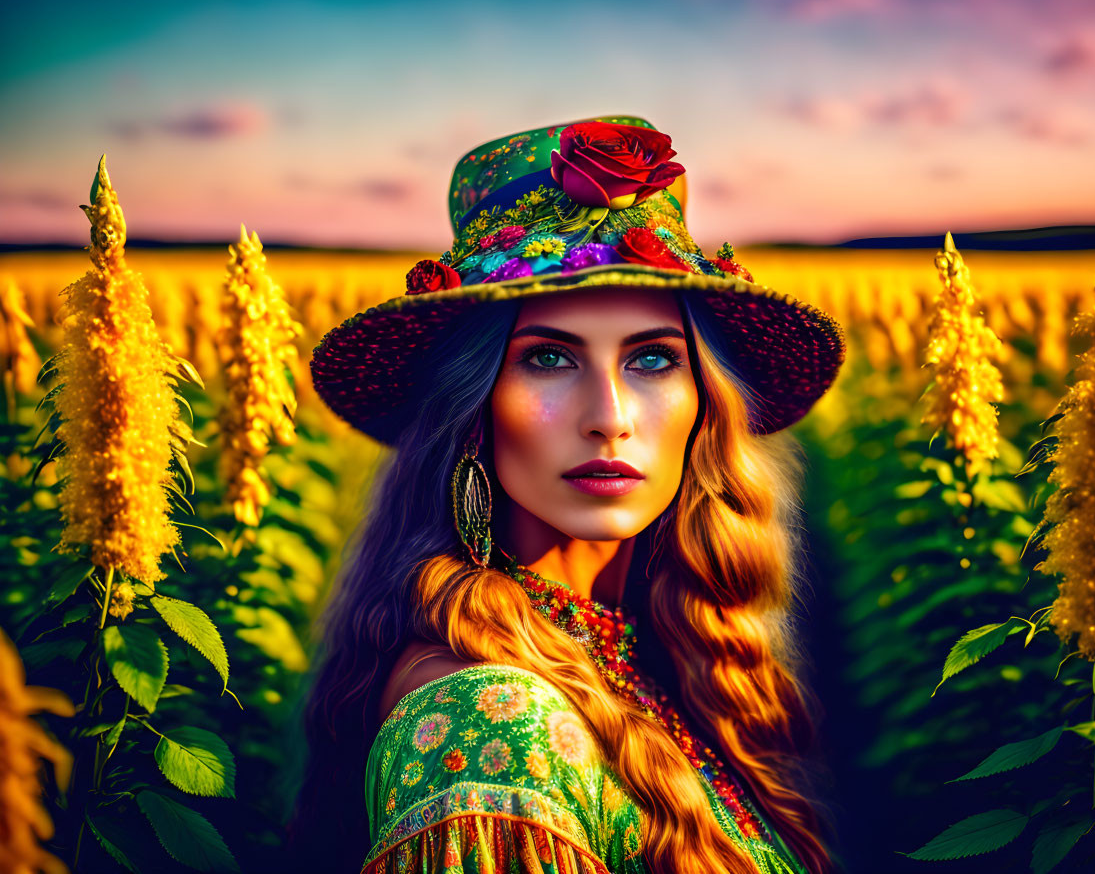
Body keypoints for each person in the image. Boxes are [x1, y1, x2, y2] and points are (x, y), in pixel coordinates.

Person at [286, 116, 846, 874]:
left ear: (703, 404)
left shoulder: (639, 648)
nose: (609, 417)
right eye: (548, 358)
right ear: (472, 408)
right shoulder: (488, 728)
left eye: (652, 359)